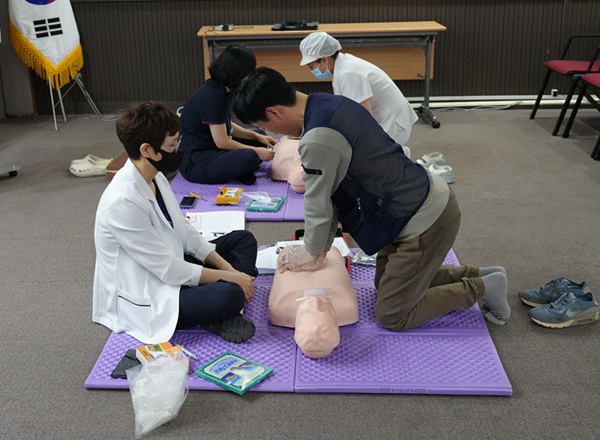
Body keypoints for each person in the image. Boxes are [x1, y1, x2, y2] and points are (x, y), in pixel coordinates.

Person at [232, 67, 511, 331]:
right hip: (413, 202)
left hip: (424, 221)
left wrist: (312, 251)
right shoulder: (330, 102)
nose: (274, 134)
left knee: (393, 314)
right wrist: (318, 248)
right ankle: (481, 274)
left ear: (273, 112)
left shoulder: (317, 139)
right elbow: (330, 195)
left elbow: (318, 202)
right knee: (385, 285)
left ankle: (483, 288)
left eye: (266, 126)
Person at [92, 101, 257, 345]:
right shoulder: (122, 201)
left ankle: (216, 306)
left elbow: (184, 232)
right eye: (173, 144)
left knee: (243, 240)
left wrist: (230, 272)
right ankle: (218, 308)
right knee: (230, 294)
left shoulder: (155, 177)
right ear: (147, 150)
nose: (180, 148)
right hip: (149, 288)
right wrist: (231, 278)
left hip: (171, 262)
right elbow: (167, 270)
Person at [299, 32, 418, 158]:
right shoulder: (341, 66)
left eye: (311, 66)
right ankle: (399, 156)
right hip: (384, 117)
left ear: (324, 59)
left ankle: (400, 158)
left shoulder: (348, 73)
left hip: (393, 122)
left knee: (365, 158)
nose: (311, 71)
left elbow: (363, 116)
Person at [178, 44, 276, 185]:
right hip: (197, 162)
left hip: (213, 148)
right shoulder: (212, 96)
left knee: (258, 138)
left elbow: (226, 126)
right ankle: (239, 170)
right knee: (250, 156)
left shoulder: (221, 89)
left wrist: (257, 137)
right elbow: (222, 142)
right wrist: (256, 151)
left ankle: (238, 170)